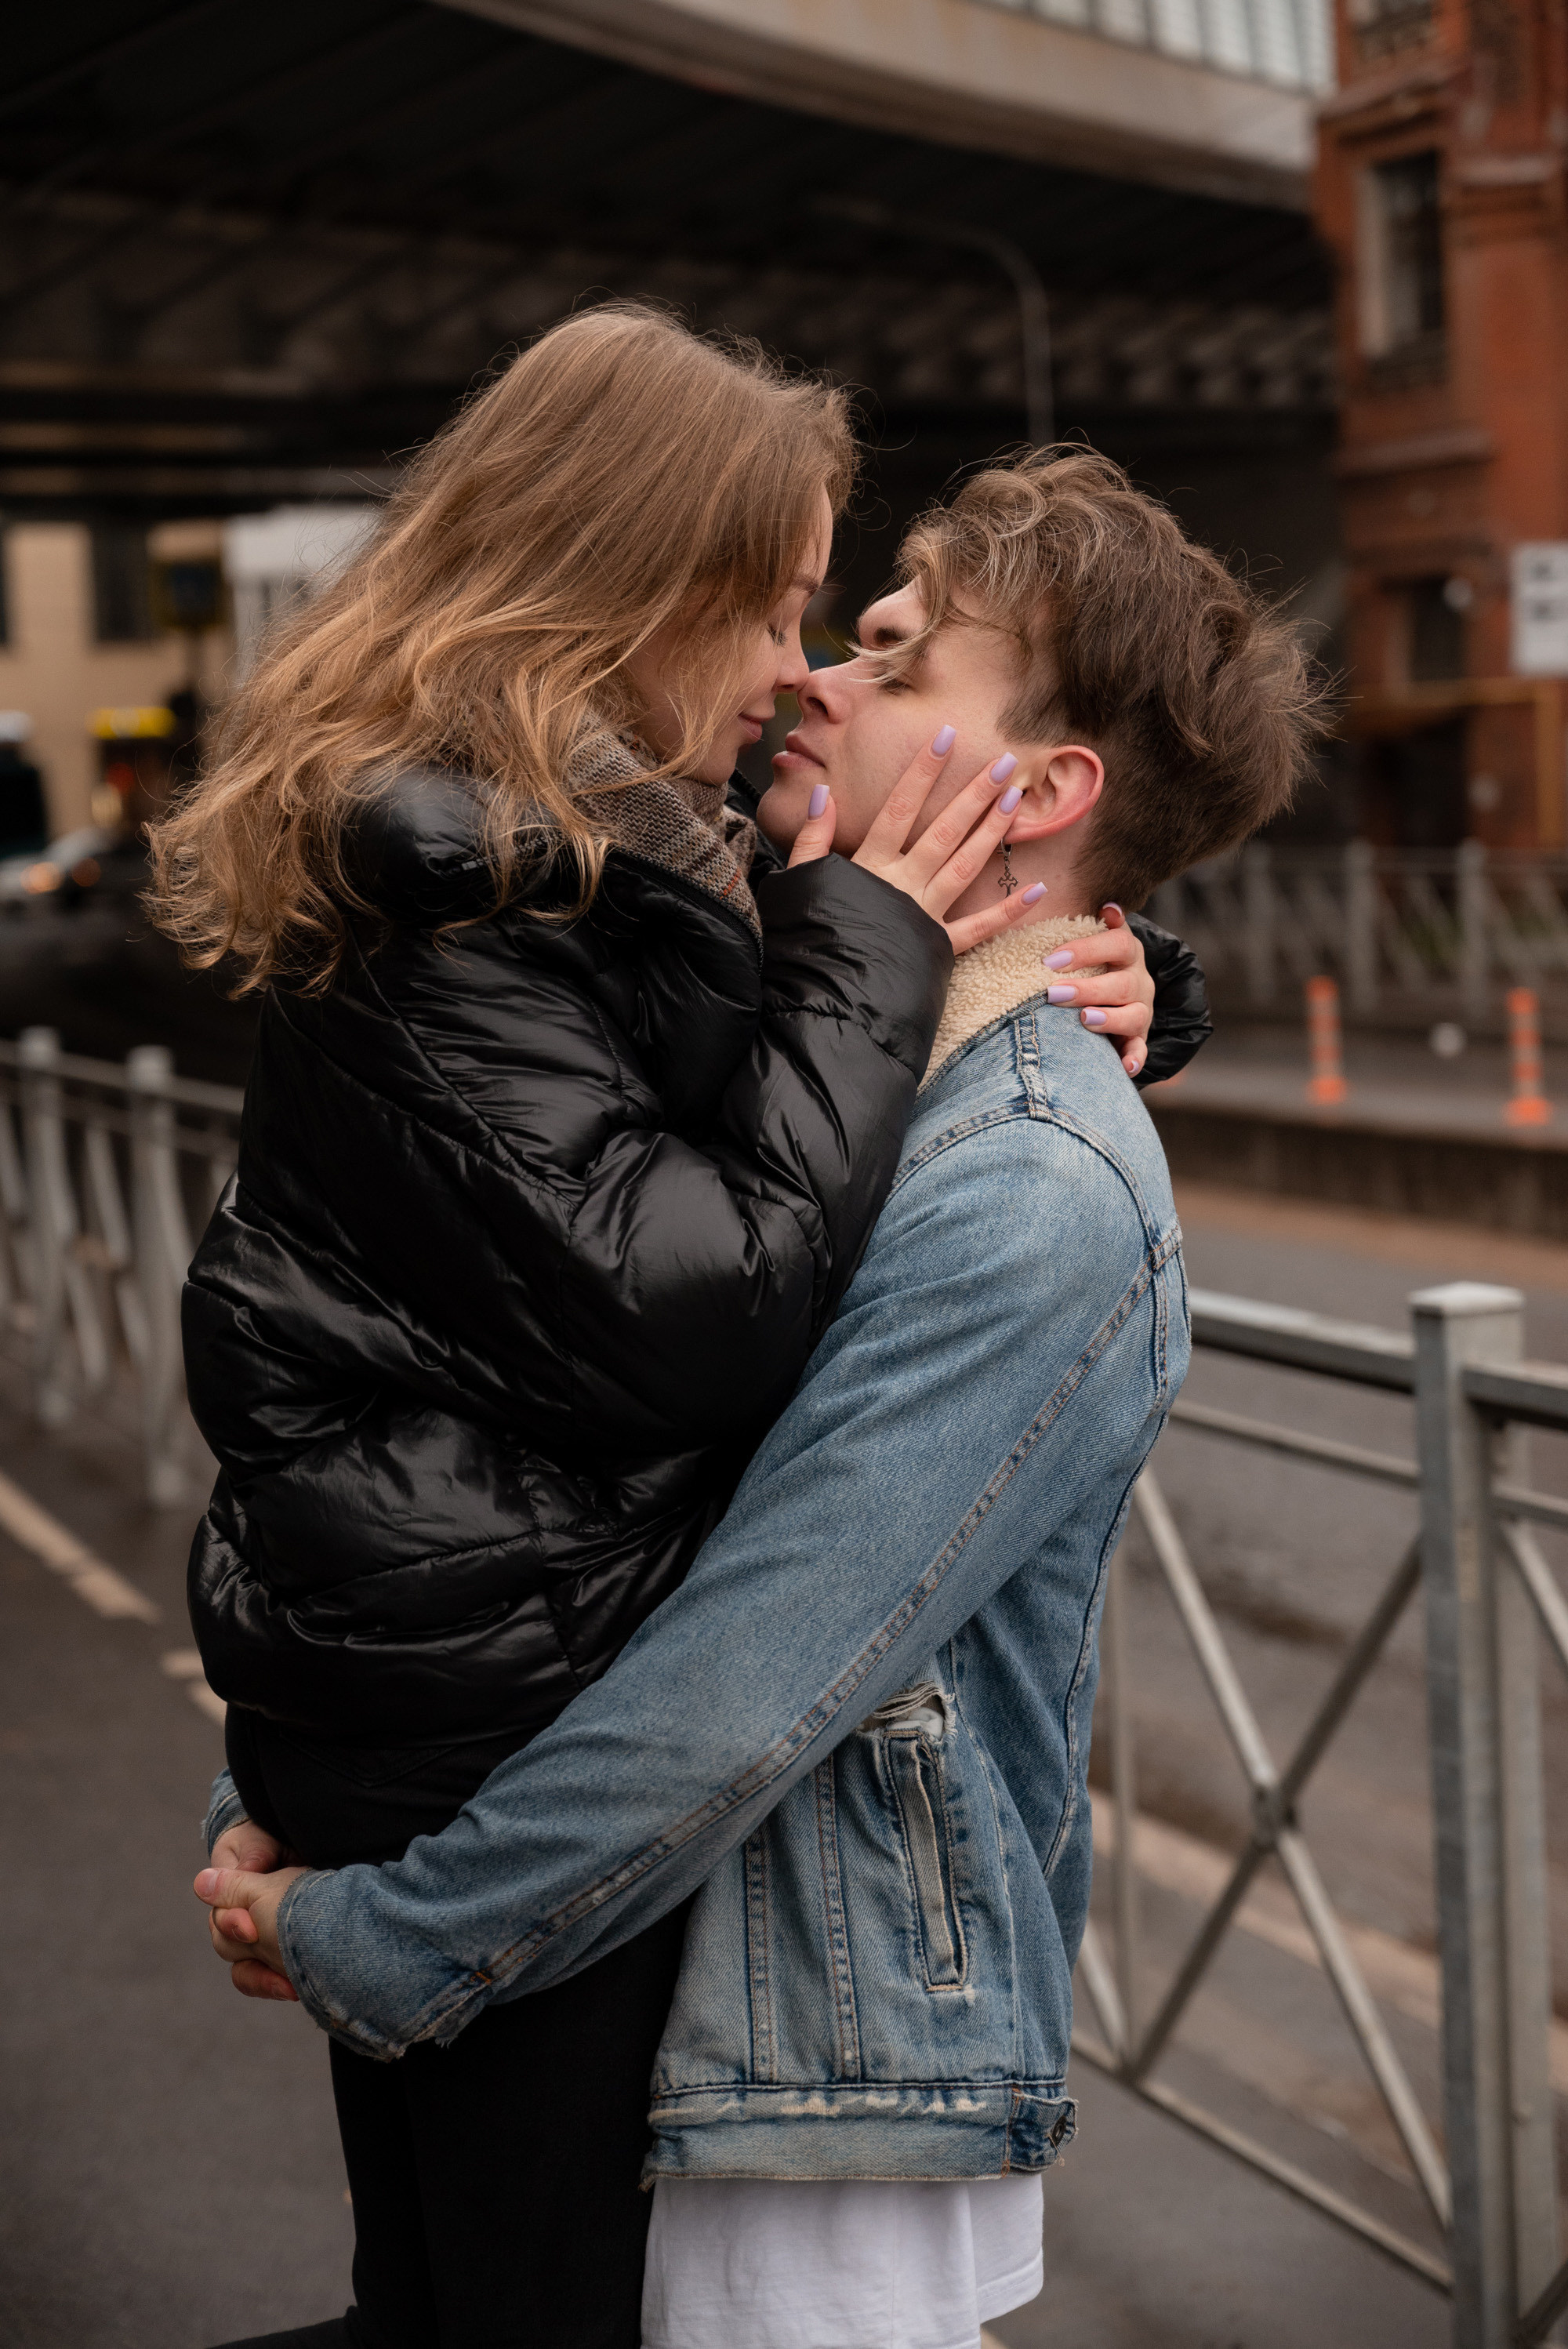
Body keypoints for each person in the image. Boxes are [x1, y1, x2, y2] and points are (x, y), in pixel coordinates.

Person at [198, 449, 1317, 2349]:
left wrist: (384, 1925)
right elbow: (507, 1427)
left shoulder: (1028, 1183)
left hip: (805, 2086)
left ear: (1038, 792)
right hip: (647, 1993)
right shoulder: (801, 1028)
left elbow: (742, 1676)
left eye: (894, 655)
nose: (813, 675)